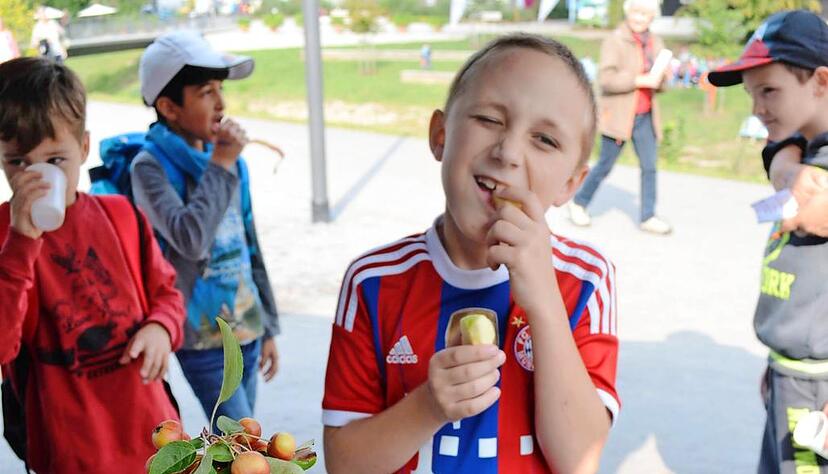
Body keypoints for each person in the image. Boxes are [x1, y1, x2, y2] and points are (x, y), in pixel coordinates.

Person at [322, 33, 619, 473]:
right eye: (489, 119)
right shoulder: (373, 282)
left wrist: (543, 301)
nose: (508, 152)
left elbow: (579, 459)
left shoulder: (586, 280)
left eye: (545, 140)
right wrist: (428, 406)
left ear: (572, 185)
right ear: (440, 135)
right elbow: (345, 465)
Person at [0, 57, 185, 473]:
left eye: (55, 160)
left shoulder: (121, 215)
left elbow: (168, 294)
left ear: (83, 148)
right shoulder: (4, 236)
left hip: (155, 437)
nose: (36, 176)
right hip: (72, 450)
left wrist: (161, 327)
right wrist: (21, 242)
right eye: (17, 162)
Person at [130, 31, 280, 425]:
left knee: (236, 444)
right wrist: (222, 161)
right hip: (203, 337)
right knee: (244, 443)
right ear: (169, 106)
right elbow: (190, 239)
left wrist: (268, 326)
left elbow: (250, 243)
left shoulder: (231, 163)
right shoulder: (149, 167)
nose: (222, 103)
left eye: (220, 89)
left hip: (246, 323)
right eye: (206, 92)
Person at [708, 10, 828, 473]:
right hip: (791, 372)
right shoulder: (802, 151)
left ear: (820, 81)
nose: (756, 108)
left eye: (769, 90)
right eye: (752, 94)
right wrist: (780, 361)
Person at [568, 0, 672, 234]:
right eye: (636, 12)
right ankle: (579, 203)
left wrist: (662, 78)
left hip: (645, 115)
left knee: (650, 166)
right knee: (605, 165)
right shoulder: (614, 40)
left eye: (645, 14)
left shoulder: (656, 42)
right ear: (628, 12)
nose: (639, 18)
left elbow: (660, 84)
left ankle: (648, 216)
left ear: (652, 17)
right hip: (618, 115)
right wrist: (638, 79)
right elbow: (606, 79)